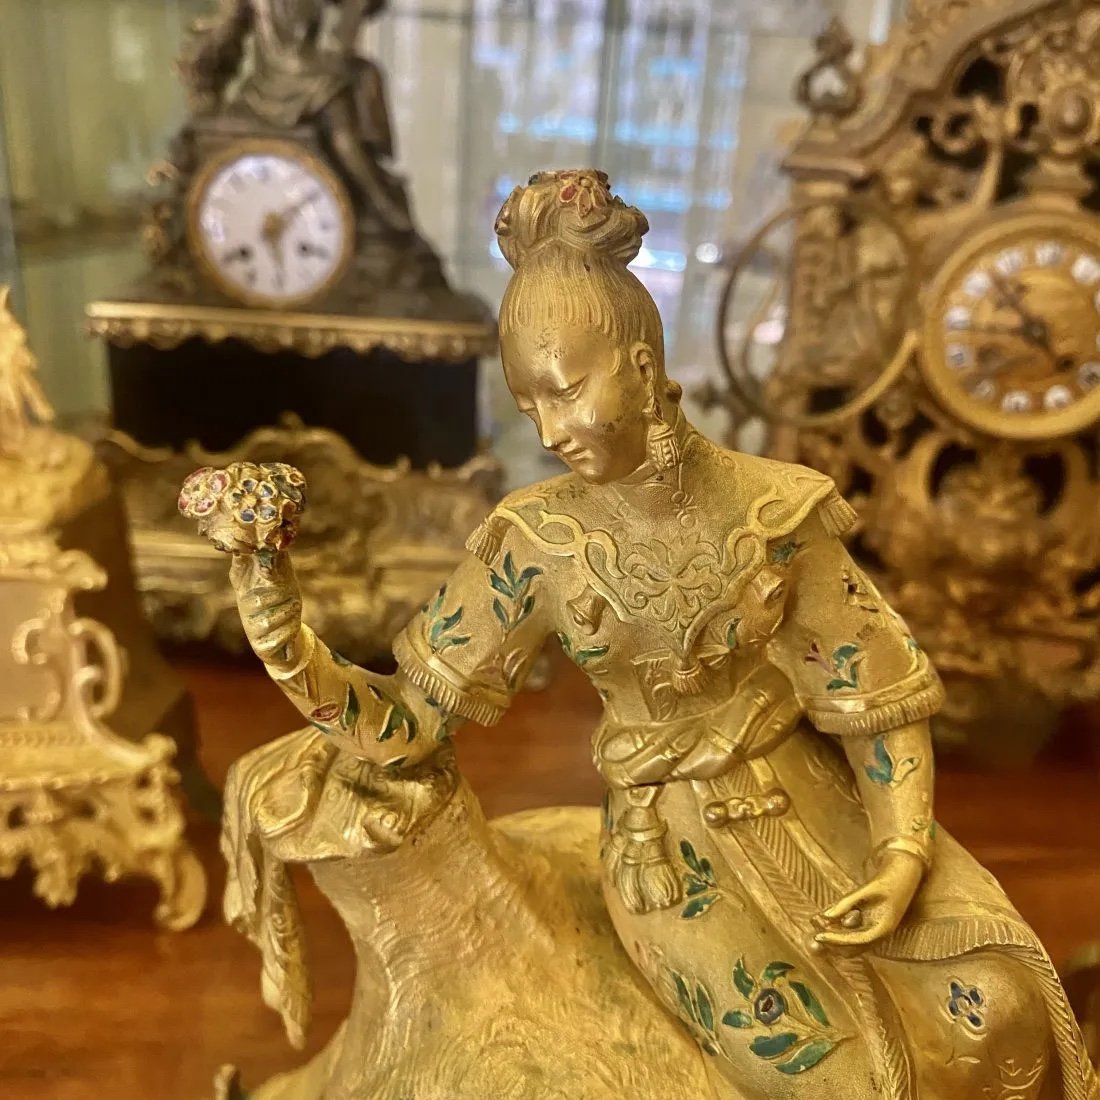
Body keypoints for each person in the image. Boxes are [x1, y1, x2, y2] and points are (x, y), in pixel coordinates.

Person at [229, 169, 1095, 1099]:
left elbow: (876, 696)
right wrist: (285, 640)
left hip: (825, 805)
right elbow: (410, 723)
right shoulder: (535, 542)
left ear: (643, 369)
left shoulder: (777, 512)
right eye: (529, 408)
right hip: (669, 856)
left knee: (1001, 1007)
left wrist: (900, 853)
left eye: (567, 392)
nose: (551, 431)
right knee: (837, 1078)